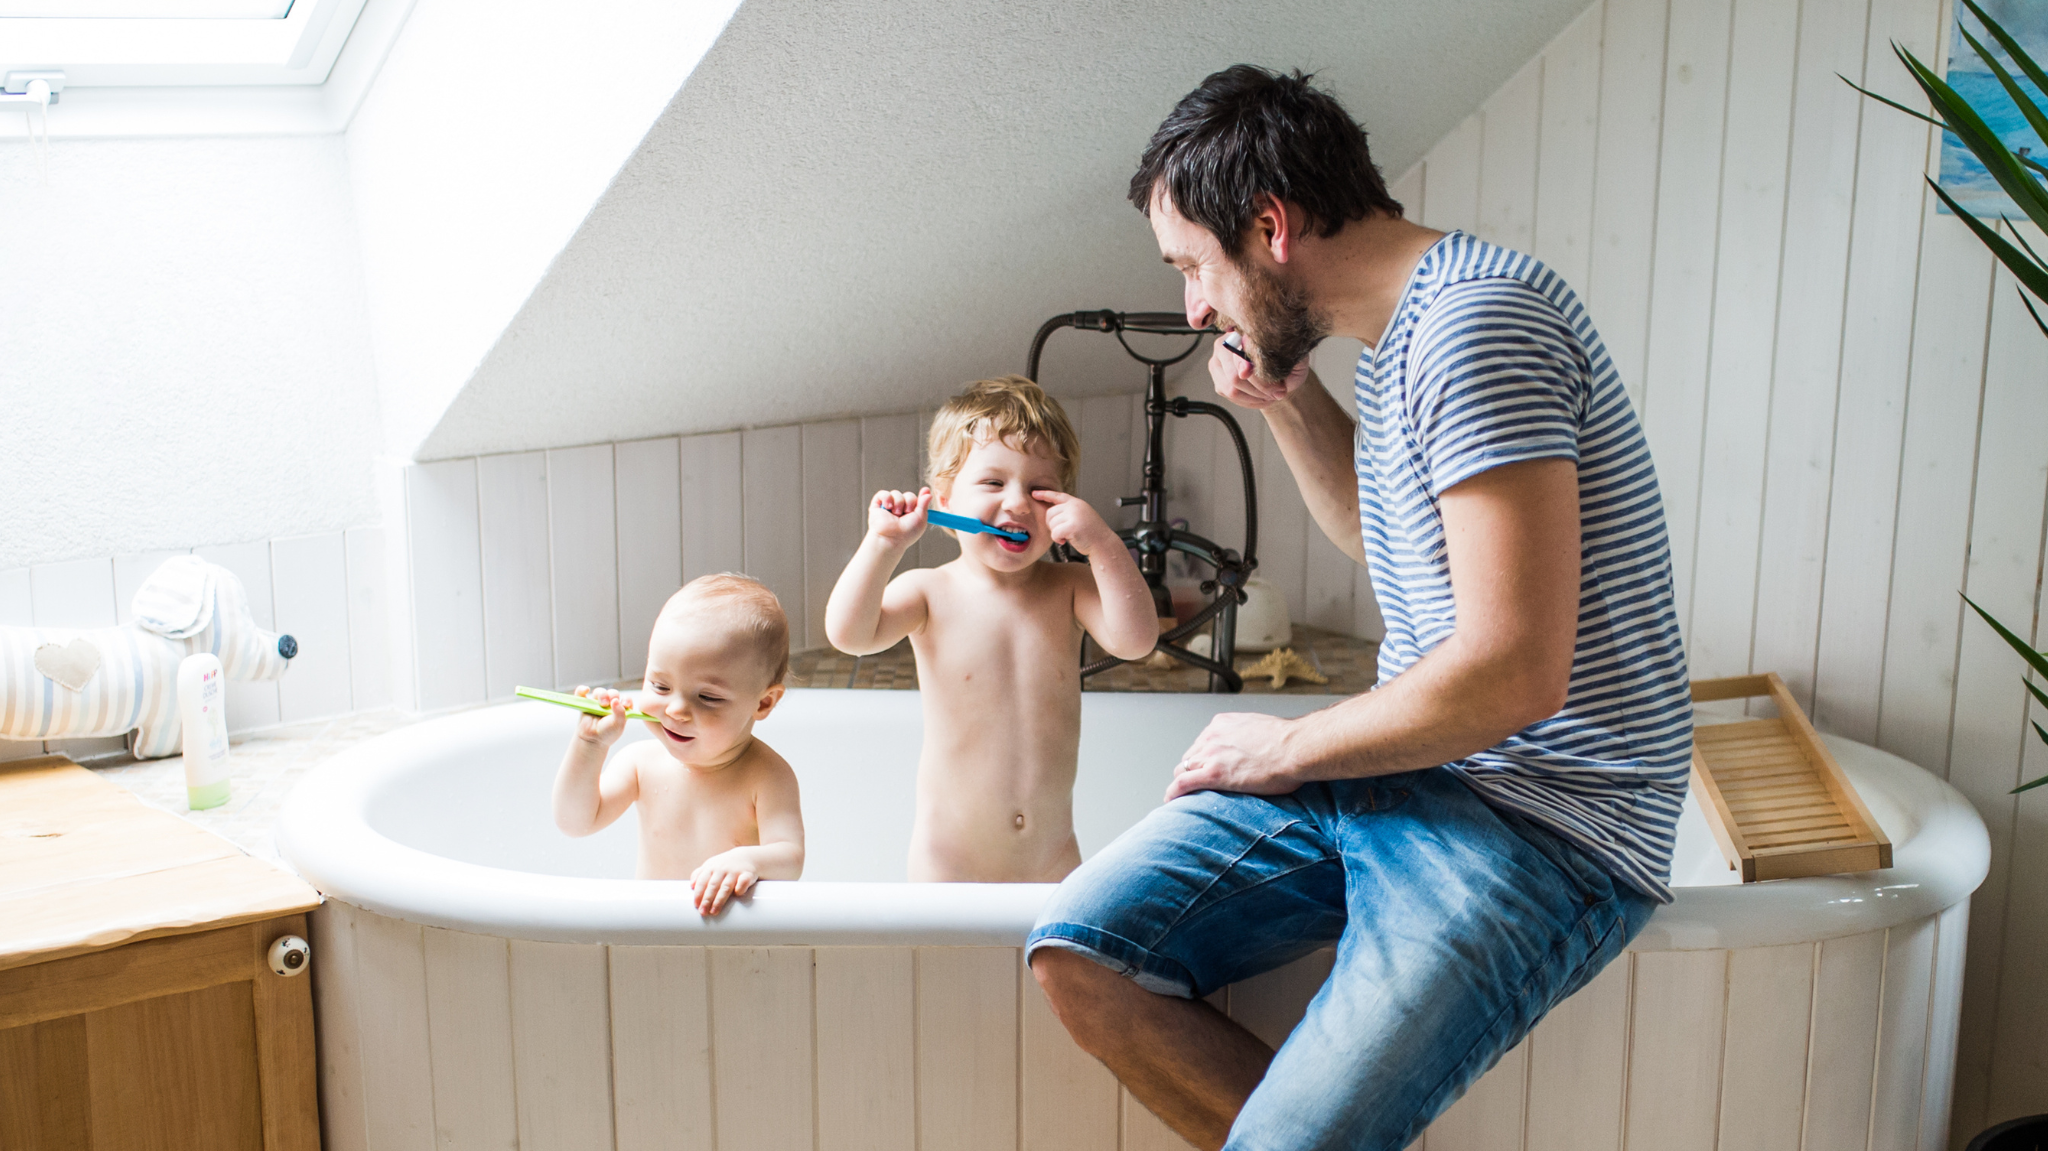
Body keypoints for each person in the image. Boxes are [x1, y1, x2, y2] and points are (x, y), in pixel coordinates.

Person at [1027, 66, 1693, 1151]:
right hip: (1419, 765)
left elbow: (1515, 670)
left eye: (1194, 266)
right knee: (1080, 952)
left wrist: (1287, 746)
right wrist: (1286, 406)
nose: (1194, 305)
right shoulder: (1400, 335)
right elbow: (1373, 529)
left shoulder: (1477, 327)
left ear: (1269, 225)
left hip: (1542, 819)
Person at [824, 376, 1159, 881]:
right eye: (993, 482)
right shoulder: (928, 592)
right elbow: (849, 635)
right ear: (943, 499)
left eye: (1040, 489)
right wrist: (883, 547)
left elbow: (1136, 642)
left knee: (1057, 959)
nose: (1019, 503)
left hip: (1052, 855)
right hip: (950, 859)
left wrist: (1104, 546)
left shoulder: (1069, 586)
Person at [552, 573, 804, 915]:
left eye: (707, 697)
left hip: (734, 944)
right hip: (652, 930)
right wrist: (589, 746)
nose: (676, 710)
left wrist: (748, 860)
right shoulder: (641, 764)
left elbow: (790, 859)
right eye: (660, 686)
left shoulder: (767, 775)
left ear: (763, 703)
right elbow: (574, 822)